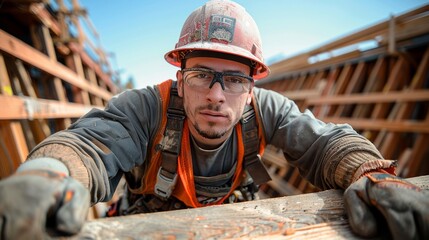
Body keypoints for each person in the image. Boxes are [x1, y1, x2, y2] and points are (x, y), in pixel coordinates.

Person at [0, 0, 428, 239]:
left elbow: (324, 143)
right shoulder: (145, 107)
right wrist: (47, 176)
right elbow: (88, 146)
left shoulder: (265, 109)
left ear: (252, 87)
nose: (217, 94)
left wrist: (373, 173)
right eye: (202, 75)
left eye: (234, 80)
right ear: (180, 79)